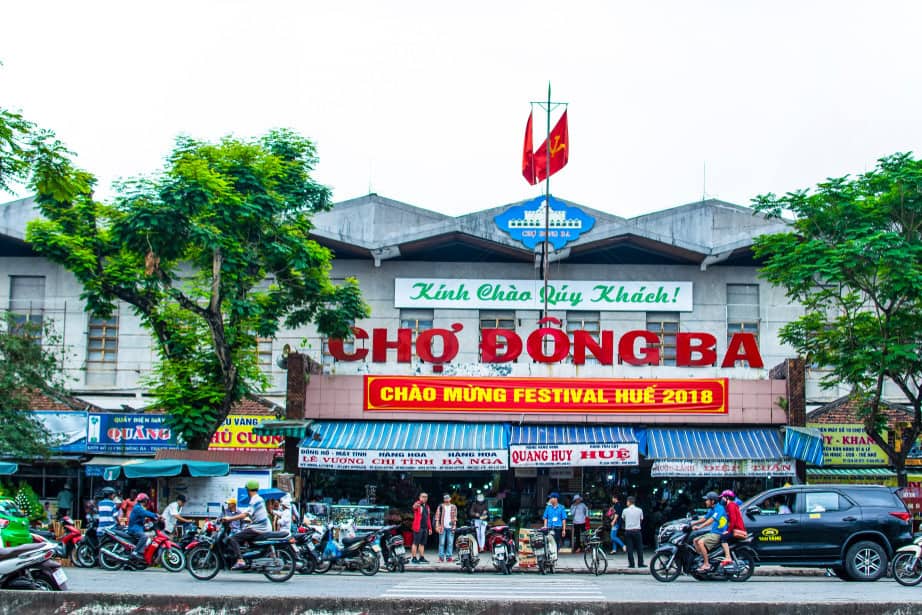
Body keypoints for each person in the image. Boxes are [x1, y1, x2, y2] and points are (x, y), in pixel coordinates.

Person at [223, 480, 272, 570]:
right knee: (244, 535)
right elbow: (252, 513)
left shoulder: (255, 500)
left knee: (233, 538)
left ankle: (240, 561)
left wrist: (229, 519)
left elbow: (245, 514)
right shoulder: (259, 499)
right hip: (262, 526)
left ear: (248, 490)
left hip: (259, 528)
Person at [691, 491, 727, 572]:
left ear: (712, 501)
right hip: (713, 532)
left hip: (719, 533)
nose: (705, 502)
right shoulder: (712, 509)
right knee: (695, 540)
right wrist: (692, 523)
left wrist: (699, 527)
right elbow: (705, 518)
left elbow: (711, 520)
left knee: (700, 542)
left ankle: (707, 564)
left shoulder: (719, 508)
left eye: (707, 500)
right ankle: (703, 558)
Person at [126, 493, 160, 561]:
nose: (147, 502)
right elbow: (145, 513)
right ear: (144, 501)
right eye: (146, 500)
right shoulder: (138, 508)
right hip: (134, 528)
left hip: (138, 527)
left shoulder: (139, 507)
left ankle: (141, 552)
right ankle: (135, 552)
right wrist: (155, 515)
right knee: (144, 537)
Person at [719, 489, 746, 567]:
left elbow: (733, 519)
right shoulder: (731, 505)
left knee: (723, 538)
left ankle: (728, 557)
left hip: (737, 529)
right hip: (735, 528)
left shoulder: (731, 505)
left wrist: (728, 531)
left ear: (727, 497)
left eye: (723, 498)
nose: (722, 499)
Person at [434, 493, 458, 562]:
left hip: (451, 527)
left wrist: (454, 526)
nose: (447, 499)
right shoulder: (441, 506)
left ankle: (449, 557)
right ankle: (441, 558)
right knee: (441, 543)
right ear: (443, 499)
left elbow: (455, 517)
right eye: (445, 498)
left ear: (450, 499)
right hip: (442, 527)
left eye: (448, 498)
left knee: (450, 543)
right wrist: (437, 526)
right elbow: (437, 517)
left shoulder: (454, 507)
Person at [622, 496, 644, 568]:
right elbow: (641, 520)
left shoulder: (625, 510)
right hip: (637, 530)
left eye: (627, 502)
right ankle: (640, 563)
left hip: (628, 531)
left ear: (629, 502)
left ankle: (632, 564)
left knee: (630, 548)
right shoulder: (640, 510)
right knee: (639, 547)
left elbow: (624, 519)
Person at [410, 492, 432, 564]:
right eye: (423, 496)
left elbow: (428, 518)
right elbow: (414, 507)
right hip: (418, 527)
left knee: (422, 543)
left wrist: (430, 528)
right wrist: (419, 502)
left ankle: (421, 557)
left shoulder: (427, 507)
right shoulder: (418, 504)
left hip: (425, 527)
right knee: (415, 543)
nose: (424, 498)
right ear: (419, 497)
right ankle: (413, 558)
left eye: (426, 497)